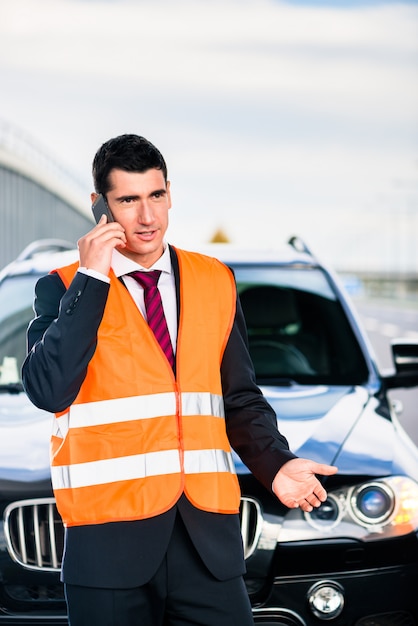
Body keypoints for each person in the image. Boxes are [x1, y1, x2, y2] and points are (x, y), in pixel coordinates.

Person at [22, 134, 337, 626]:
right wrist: (92, 279)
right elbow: (48, 389)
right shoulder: (63, 287)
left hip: (206, 545)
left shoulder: (215, 279)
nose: (147, 217)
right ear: (98, 206)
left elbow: (238, 397)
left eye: (156, 196)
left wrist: (275, 464)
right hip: (108, 547)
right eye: (128, 200)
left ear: (169, 191)